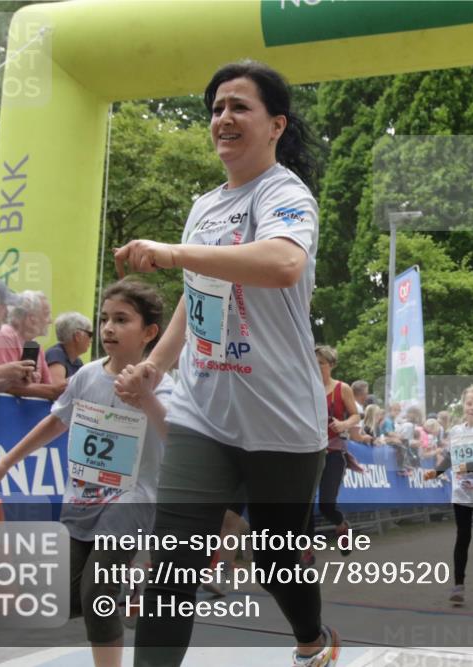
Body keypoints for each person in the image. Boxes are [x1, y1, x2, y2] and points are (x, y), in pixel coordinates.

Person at [111, 60, 338, 667]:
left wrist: (171, 250)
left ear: (275, 125)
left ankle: (313, 641)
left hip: (281, 417)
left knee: (275, 560)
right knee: (172, 565)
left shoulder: (285, 193)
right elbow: (197, 290)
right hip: (202, 409)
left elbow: (283, 264)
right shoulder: (204, 206)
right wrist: (158, 367)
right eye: (216, 108)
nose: (224, 118)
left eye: (240, 106)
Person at [0, 279, 172, 667]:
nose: (108, 329)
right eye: (103, 319)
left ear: (149, 332)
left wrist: (145, 398)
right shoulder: (86, 376)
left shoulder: (163, 384)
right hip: (82, 498)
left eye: (121, 320)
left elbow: (176, 434)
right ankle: (131, 592)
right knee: (66, 598)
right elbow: (55, 422)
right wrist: (5, 462)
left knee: (97, 592)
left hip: (132, 500)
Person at [423, 385, 473, 606]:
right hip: (461, 491)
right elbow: (450, 457)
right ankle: (458, 585)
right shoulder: (456, 431)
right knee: (462, 536)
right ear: (463, 405)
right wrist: (436, 471)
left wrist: (468, 467)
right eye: (469, 403)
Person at [303, 345, 361, 566]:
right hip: (309, 451)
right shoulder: (306, 387)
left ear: (331, 365)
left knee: (327, 504)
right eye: (314, 362)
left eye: (322, 363)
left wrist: (343, 423)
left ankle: (342, 526)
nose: (317, 367)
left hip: (334, 451)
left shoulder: (342, 388)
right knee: (306, 503)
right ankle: (306, 550)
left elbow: (356, 415)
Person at [0, 290, 66, 400]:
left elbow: (48, 386)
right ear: (31, 318)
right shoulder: (5, 336)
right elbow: (5, 386)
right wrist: (52, 391)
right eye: (46, 314)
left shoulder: (34, 346)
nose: (50, 321)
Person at [46, 311, 94, 382]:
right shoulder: (56, 354)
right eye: (90, 334)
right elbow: (56, 388)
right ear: (77, 336)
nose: (91, 340)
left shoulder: (77, 361)